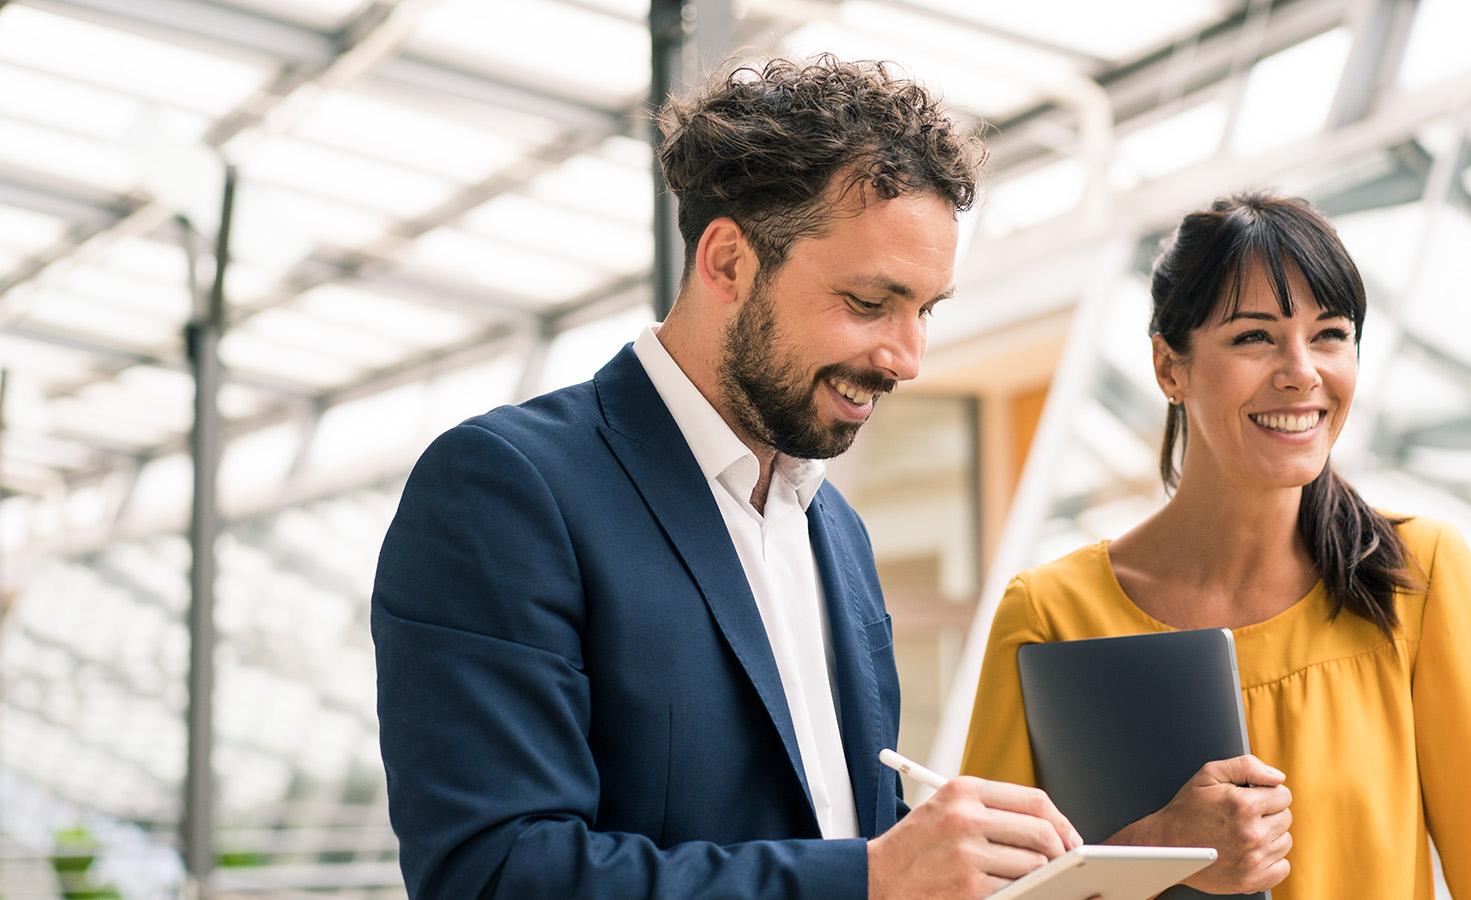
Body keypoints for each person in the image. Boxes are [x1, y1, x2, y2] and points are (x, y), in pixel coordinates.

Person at [372, 56, 1083, 899]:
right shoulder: (507, 490)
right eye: (868, 303)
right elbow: (492, 875)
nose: (907, 358)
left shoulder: (836, 531)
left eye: (925, 310)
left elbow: (849, 838)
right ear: (727, 263)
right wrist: (873, 876)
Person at [961, 192, 1471, 898]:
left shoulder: (1416, 578)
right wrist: (1154, 849)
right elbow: (987, 891)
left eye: (1330, 334)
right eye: (1255, 337)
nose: (1301, 372)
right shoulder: (1051, 615)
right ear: (1171, 367)